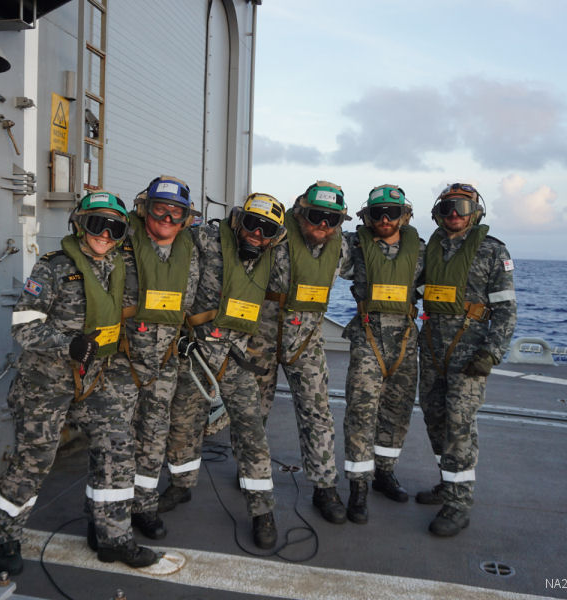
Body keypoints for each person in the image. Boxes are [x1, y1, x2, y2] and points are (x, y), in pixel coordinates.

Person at [0, 191, 160, 573]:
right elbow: (23, 325)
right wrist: (67, 344)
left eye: (114, 229)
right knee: (34, 460)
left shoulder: (118, 267)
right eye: (97, 224)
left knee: (117, 446)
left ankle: (112, 536)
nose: (105, 235)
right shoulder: (53, 268)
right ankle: (5, 535)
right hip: (45, 385)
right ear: (80, 225)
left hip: (93, 381)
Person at [158, 193, 286, 549]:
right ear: (237, 220)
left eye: (267, 230)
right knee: (183, 425)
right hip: (195, 354)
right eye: (252, 224)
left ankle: (262, 510)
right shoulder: (204, 239)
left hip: (236, 358)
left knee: (252, 433)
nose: (256, 234)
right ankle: (181, 485)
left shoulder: (273, 257)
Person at [248, 180, 353, 524]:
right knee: (254, 411)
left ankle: (325, 486)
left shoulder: (342, 248)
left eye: (331, 219)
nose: (322, 224)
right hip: (261, 335)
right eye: (315, 216)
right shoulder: (275, 235)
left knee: (317, 412)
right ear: (299, 212)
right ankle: (251, 476)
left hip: (306, 340)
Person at [416, 182, 517, 536]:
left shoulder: (493, 251)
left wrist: (491, 352)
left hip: (469, 350)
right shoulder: (431, 248)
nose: (454, 214)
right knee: (435, 417)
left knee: (459, 424)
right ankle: (448, 482)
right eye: (447, 208)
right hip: (432, 346)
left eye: (461, 207)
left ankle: (459, 504)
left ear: (475, 212)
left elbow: (506, 310)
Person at [341, 185, 424, 523]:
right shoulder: (354, 247)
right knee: (361, 412)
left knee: (397, 411)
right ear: (367, 216)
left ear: (405, 215)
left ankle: (384, 472)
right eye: (378, 213)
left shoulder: (421, 250)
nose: (386, 219)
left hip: (405, 340)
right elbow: (320, 248)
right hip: (368, 337)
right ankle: (358, 486)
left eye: (393, 212)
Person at [124, 176, 200, 541]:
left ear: (186, 218)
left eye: (176, 213)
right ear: (144, 209)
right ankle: (107, 514)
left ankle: (143, 505)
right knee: (114, 439)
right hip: (122, 361)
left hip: (165, 362)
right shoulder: (120, 242)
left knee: (154, 435)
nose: (167, 219)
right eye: (159, 210)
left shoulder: (192, 250)